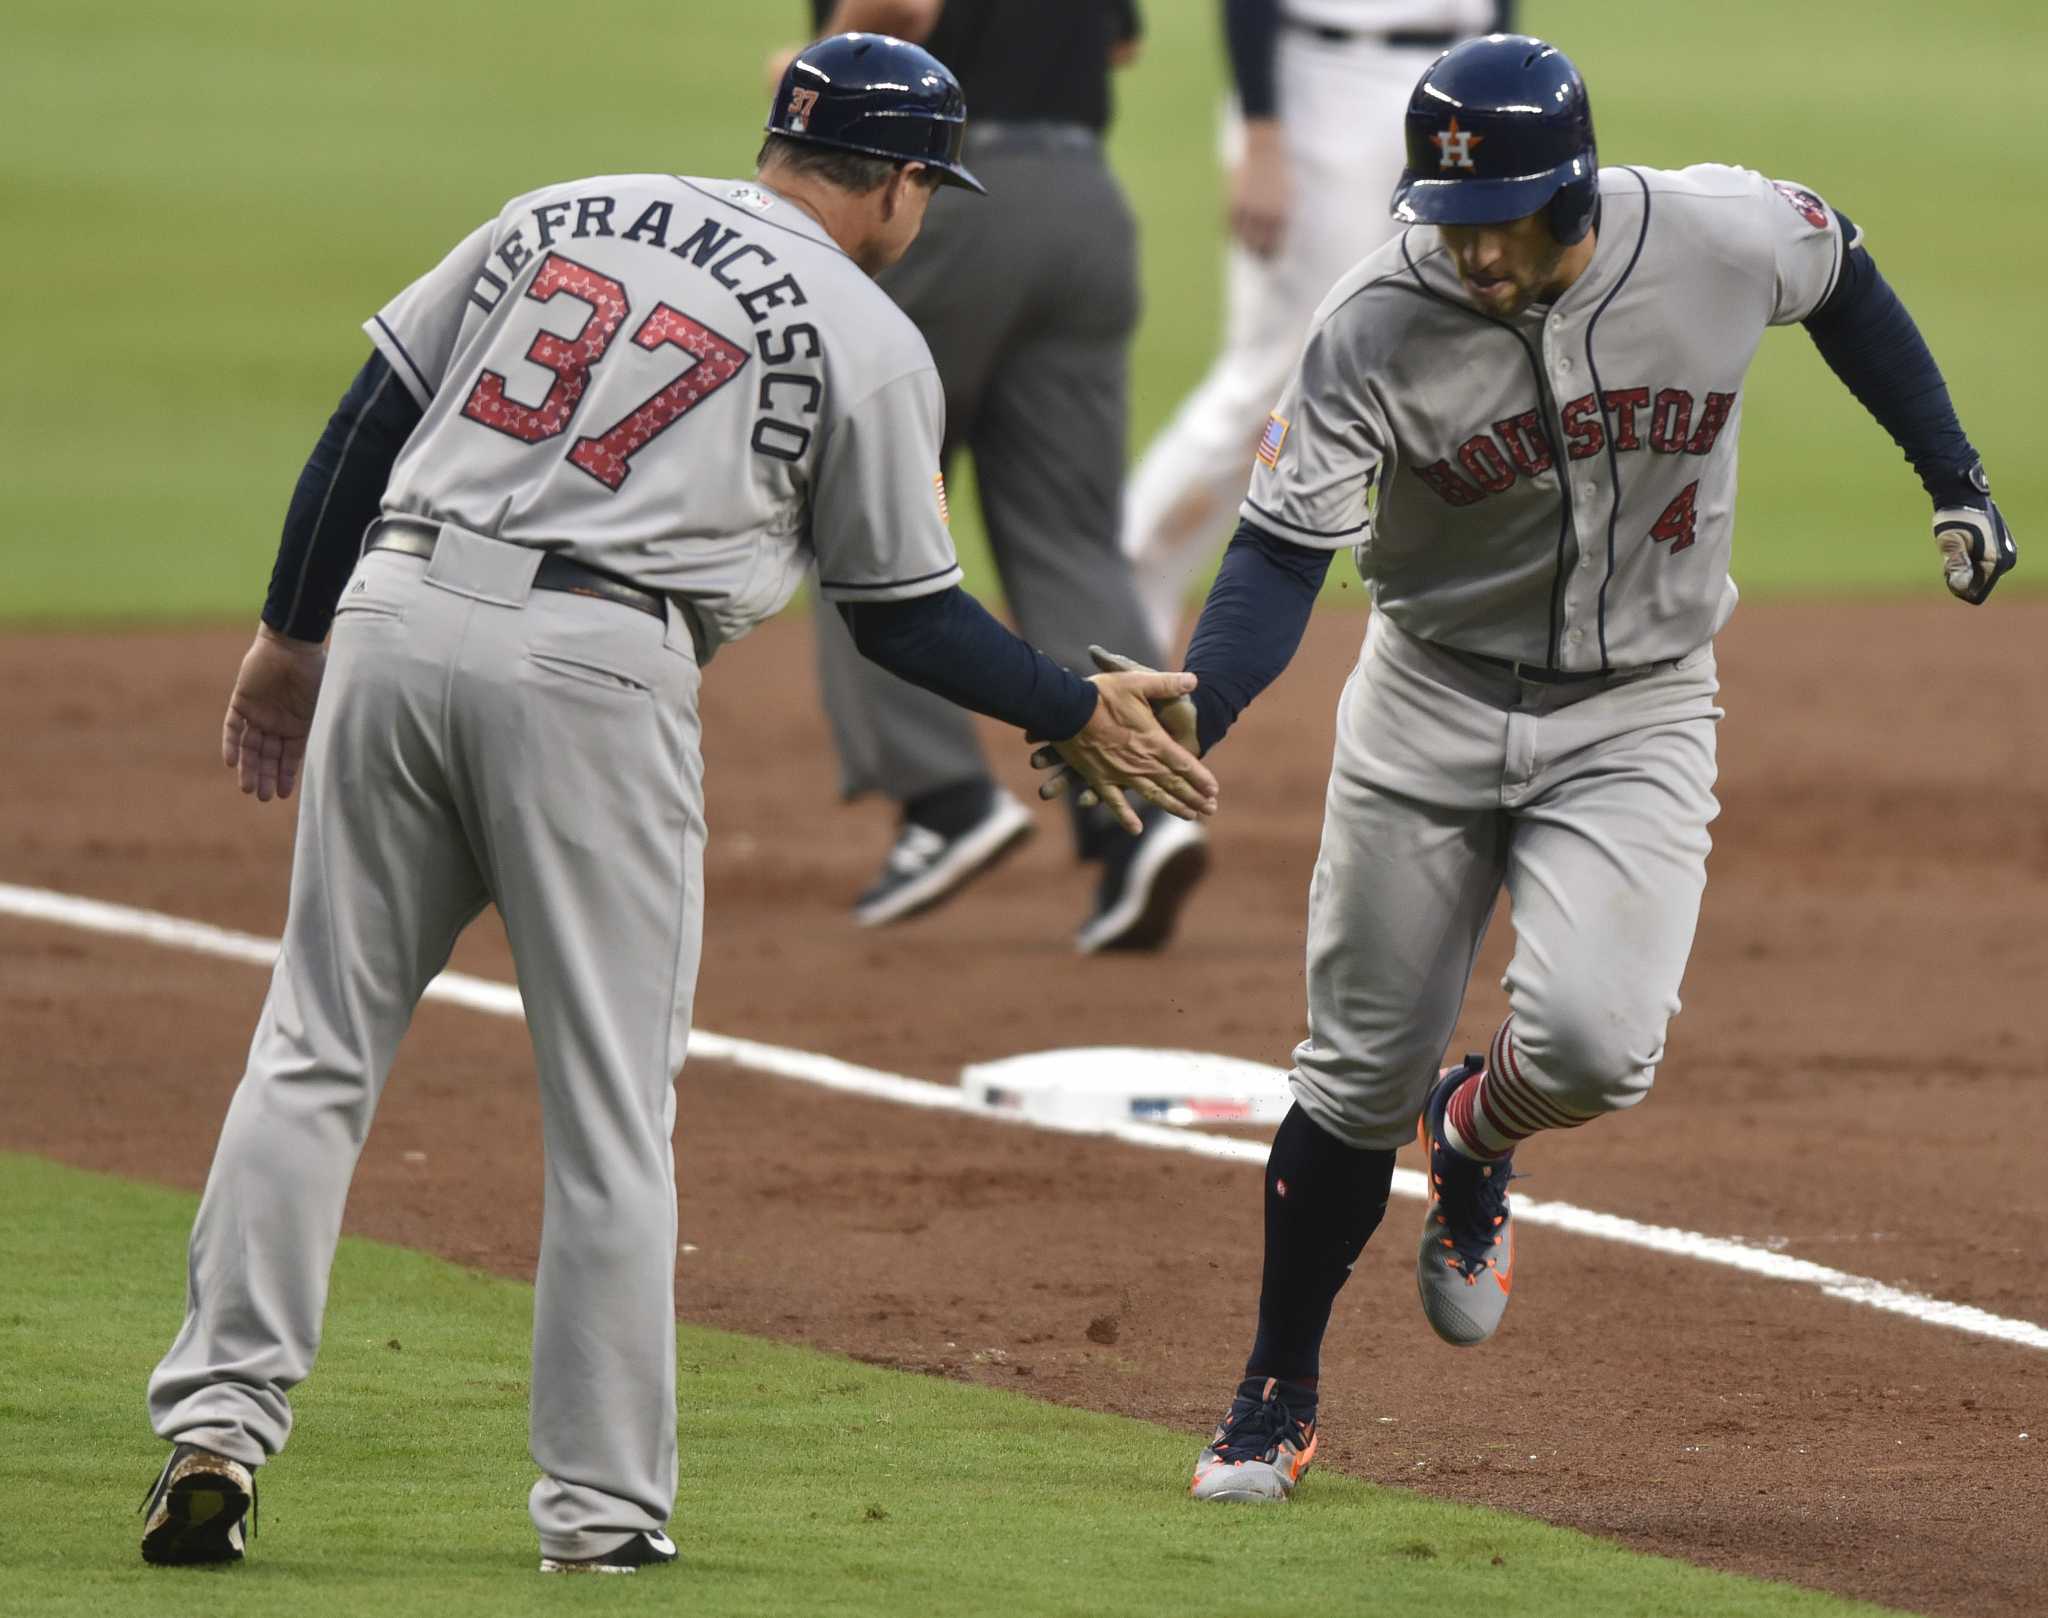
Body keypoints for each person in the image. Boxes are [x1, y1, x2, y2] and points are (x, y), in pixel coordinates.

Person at [135, 34, 1216, 1574]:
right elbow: (901, 614)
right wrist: (1072, 706)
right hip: (594, 672)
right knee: (609, 1122)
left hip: (390, 613)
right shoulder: (868, 330)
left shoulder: (561, 208)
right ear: (904, 185)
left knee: (313, 1047)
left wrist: (287, 638)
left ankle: (217, 1433)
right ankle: (600, 1516)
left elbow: (367, 422)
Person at [1042, 34, 2017, 1503]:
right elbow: (1278, 551)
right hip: (1428, 704)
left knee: (1594, 1048)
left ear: (1574, 191)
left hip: (1638, 708)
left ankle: (1474, 1130)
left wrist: (1954, 479)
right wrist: (1205, 705)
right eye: (1450, 216)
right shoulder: (1374, 313)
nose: (1472, 248)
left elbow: (1849, 278)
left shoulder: (1716, 231)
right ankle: (1275, 1389)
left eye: (1501, 216)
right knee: (1350, 1073)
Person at [786, 0, 1209, 953]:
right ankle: (1137, 819)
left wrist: (821, 70)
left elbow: (902, 7)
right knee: (1065, 531)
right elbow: (1122, 41)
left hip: (943, 194)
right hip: (1085, 206)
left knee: (854, 497)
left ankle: (944, 799)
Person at [1121, 0, 1511, 653]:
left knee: (1454, 350)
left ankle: (1469, 627)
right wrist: (1262, 136)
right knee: (1281, 372)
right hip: (1325, 87)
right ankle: (1121, 584)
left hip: (1458, 86)